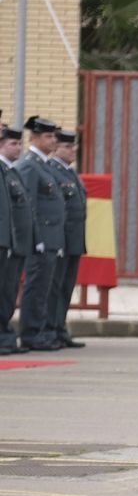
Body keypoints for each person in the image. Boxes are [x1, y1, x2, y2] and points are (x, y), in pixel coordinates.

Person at [17, 117, 65, 353]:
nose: (53, 140)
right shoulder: (29, 165)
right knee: (36, 288)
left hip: (51, 238)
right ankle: (31, 333)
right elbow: (30, 206)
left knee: (44, 289)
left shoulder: (44, 165)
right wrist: (37, 239)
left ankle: (40, 331)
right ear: (34, 138)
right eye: (48, 136)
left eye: (54, 136)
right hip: (41, 240)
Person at [47, 130, 88, 349]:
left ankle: (59, 328)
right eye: (68, 147)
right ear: (56, 148)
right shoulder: (52, 171)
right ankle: (51, 328)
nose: (73, 151)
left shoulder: (70, 173)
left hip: (74, 239)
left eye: (74, 147)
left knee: (66, 287)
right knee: (54, 287)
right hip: (60, 239)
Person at [0, 124, 33, 357]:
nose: (19, 147)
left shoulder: (10, 171)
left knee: (9, 292)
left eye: (20, 143)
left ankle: (5, 335)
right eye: (13, 143)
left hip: (10, 241)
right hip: (6, 241)